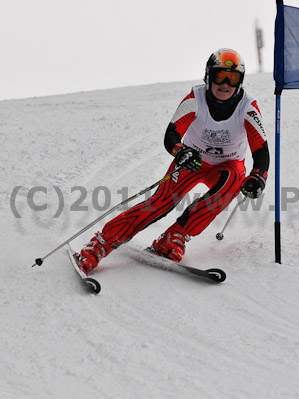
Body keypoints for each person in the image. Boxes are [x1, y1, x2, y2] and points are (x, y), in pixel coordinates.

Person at [74, 48, 269, 273]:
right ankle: (98, 246)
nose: (225, 84)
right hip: (193, 161)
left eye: (232, 78)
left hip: (227, 165)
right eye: (219, 76)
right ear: (208, 76)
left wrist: (258, 177)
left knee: (235, 178)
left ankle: (174, 238)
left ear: (240, 82)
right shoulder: (196, 98)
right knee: (160, 203)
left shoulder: (248, 107)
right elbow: (172, 133)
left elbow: (261, 150)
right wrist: (180, 151)